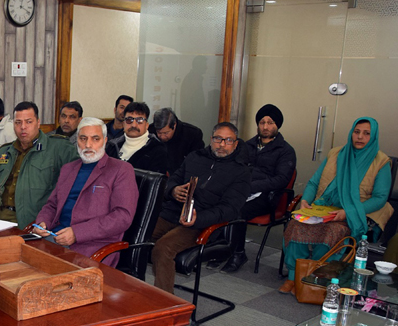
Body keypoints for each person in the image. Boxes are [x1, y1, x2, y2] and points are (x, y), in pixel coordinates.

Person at [280, 117, 393, 294]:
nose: (360, 137)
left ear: (373, 136)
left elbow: (380, 198)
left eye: (366, 133)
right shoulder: (336, 154)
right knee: (296, 225)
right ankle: (293, 276)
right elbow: (314, 182)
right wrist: (306, 201)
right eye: (356, 132)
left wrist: (347, 212)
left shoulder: (381, 162)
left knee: (332, 232)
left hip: (353, 212)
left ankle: (316, 277)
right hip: (324, 208)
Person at [150, 122, 251, 294]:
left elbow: (230, 209)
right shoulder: (195, 157)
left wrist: (199, 219)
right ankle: (130, 288)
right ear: (211, 139)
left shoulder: (241, 172)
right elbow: (173, 180)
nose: (222, 144)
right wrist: (173, 190)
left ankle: (165, 301)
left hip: (201, 224)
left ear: (235, 144)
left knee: (163, 248)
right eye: (218, 139)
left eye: (228, 140)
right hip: (172, 213)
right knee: (135, 234)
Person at [33, 117, 137, 268]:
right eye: (83, 139)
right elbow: (52, 204)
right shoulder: (68, 168)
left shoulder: (121, 170)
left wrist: (77, 233)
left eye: (95, 139)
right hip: (54, 238)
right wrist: (42, 222)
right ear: (77, 141)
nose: (88, 145)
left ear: (105, 141)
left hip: (91, 246)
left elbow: (122, 217)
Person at [0, 101, 79, 229]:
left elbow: (74, 187)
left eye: (28, 122)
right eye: (18, 122)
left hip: (26, 221)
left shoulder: (59, 149)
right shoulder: (5, 151)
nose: (23, 127)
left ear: (38, 123)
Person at [216, 104, 296, 273]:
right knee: (215, 201)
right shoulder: (246, 145)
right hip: (242, 191)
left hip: (267, 196)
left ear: (278, 125)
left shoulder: (285, 151)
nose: (265, 127)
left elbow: (281, 180)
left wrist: (251, 186)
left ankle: (238, 254)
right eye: (262, 122)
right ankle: (220, 249)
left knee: (237, 210)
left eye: (270, 123)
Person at [107, 101, 167, 174]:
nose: (134, 125)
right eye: (129, 120)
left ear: (147, 125)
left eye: (139, 120)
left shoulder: (158, 150)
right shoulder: (112, 146)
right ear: (124, 123)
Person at [151, 107, 204, 175]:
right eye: (159, 133)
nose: (162, 136)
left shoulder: (192, 134)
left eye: (166, 133)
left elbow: (196, 163)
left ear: (174, 125)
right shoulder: (150, 131)